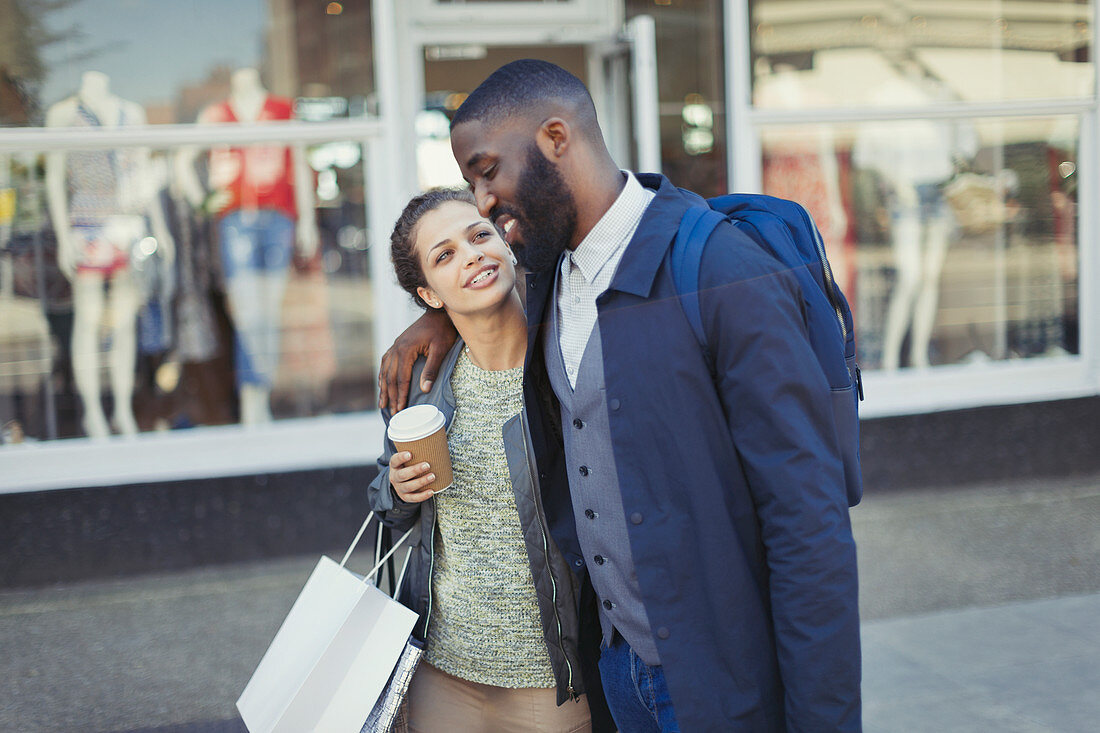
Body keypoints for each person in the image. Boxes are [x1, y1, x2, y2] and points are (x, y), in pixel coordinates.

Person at [378, 60, 862, 731]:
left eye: (487, 171)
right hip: (612, 674)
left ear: (555, 137)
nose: (482, 202)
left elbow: (808, 527)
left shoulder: (720, 269)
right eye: (470, 181)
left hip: (718, 683)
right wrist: (437, 315)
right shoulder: (549, 275)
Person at [368, 188, 599, 732]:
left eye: (479, 235)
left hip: (553, 680)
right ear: (428, 292)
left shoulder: (568, 369)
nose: (471, 255)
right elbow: (384, 506)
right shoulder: (421, 389)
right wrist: (399, 490)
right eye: (444, 255)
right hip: (442, 673)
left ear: (507, 243)